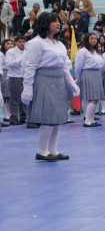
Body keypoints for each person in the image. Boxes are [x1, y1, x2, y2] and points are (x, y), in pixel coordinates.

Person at [21, 12, 80, 161]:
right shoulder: (36, 43)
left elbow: (64, 66)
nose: (58, 23)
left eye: (58, 21)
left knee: (56, 117)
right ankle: (42, 151)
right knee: (48, 117)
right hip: (44, 80)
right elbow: (30, 66)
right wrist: (27, 88)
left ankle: (52, 150)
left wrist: (72, 84)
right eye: (54, 21)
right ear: (45, 24)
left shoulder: (59, 44)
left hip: (58, 80)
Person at [75, 33, 105, 127]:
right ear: (87, 40)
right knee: (91, 98)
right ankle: (87, 120)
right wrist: (79, 76)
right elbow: (78, 66)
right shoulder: (82, 52)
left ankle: (91, 119)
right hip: (87, 73)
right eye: (92, 38)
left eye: (95, 38)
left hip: (97, 74)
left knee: (95, 98)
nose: (94, 40)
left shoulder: (96, 51)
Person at [5, 36, 26, 125]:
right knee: (15, 98)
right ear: (16, 43)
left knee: (24, 98)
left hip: (25, 76)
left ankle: (24, 117)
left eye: (24, 41)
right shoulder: (11, 52)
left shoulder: (27, 51)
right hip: (14, 76)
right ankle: (13, 117)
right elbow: (9, 64)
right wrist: (21, 59)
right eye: (20, 42)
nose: (22, 43)